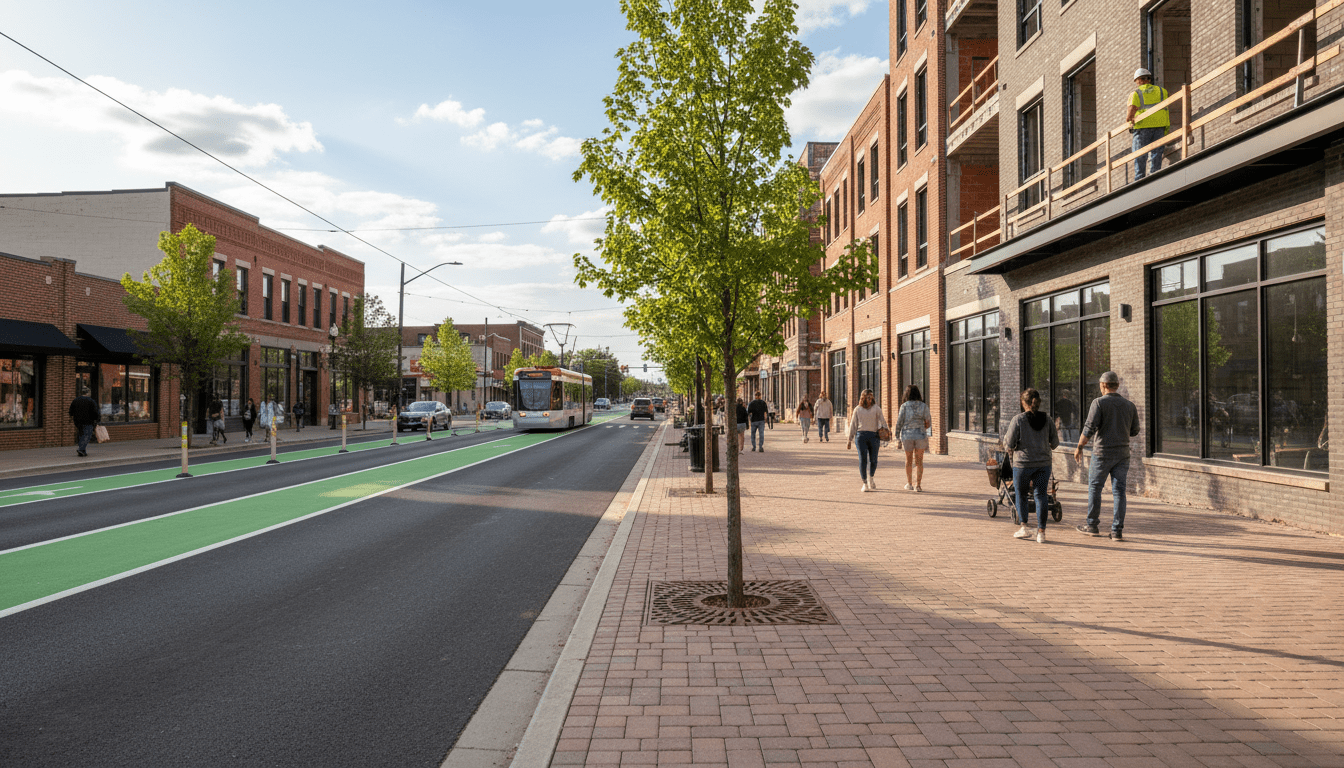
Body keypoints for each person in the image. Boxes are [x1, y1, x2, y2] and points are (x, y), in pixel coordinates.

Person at [1074, 371, 1140, 541]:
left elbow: (1089, 428)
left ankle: (1092, 525)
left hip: (1102, 453)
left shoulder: (1098, 403)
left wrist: (1079, 447)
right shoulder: (1130, 405)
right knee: (1119, 492)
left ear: (1103, 385)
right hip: (1122, 454)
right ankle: (1117, 531)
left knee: (1095, 488)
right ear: (1117, 385)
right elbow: (1134, 431)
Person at [1003, 388, 1059, 543]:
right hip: (1043, 464)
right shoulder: (1048, 419)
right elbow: (1055, 443)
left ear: (1023, 402)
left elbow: (1009, 443)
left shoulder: (1018, 420)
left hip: (1023, 464)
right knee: (1041, 496)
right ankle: (1041, 533)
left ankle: (1024, 527)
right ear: (1038, 402)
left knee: (1021, 495)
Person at [1127, 67, 1170, 181]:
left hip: (1142, 127)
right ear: (1149, 79)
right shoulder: (1162, 91)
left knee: (1140, 153)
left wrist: (1129, 121)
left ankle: (1139, 178)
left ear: (1139, 80)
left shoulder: (1136, 93)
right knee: (1157, 152)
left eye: (1136, 81)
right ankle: (1155, 174)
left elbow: (1131, 111)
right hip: (1160, 125)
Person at [846, 389, 887, 492]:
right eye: (868, 396)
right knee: (863, 459)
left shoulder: (876, 408)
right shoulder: (857, 409)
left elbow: (883, 421)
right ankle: (864, 483)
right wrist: (849, 439)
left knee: (874, 460)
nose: (870, 398)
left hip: (874, 436)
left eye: (871, 396)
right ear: (863, 397)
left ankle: (871, 478)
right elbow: (853, 424)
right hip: (861, 436)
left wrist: (886, 432)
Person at [894, 385, 932, 492]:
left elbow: (899, 422)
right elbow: (928, 422)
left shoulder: (904, 406)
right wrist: (922, 428)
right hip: (920, 435)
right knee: (919, 461)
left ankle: (909, 483)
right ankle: (918, 485)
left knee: (908, 460)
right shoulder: (924, 406)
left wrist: (897, 436)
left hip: (907, 435)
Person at [68, 387, 99, 457]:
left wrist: (71, 419)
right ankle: (81, 449)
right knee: (87, 435)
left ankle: (83, 451)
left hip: (77, 421)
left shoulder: (76, 400)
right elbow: (95, 412)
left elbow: (71, 411)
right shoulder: (91, 401)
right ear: (88, 393)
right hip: (88, 421)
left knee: (81, 434)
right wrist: (96, 420)